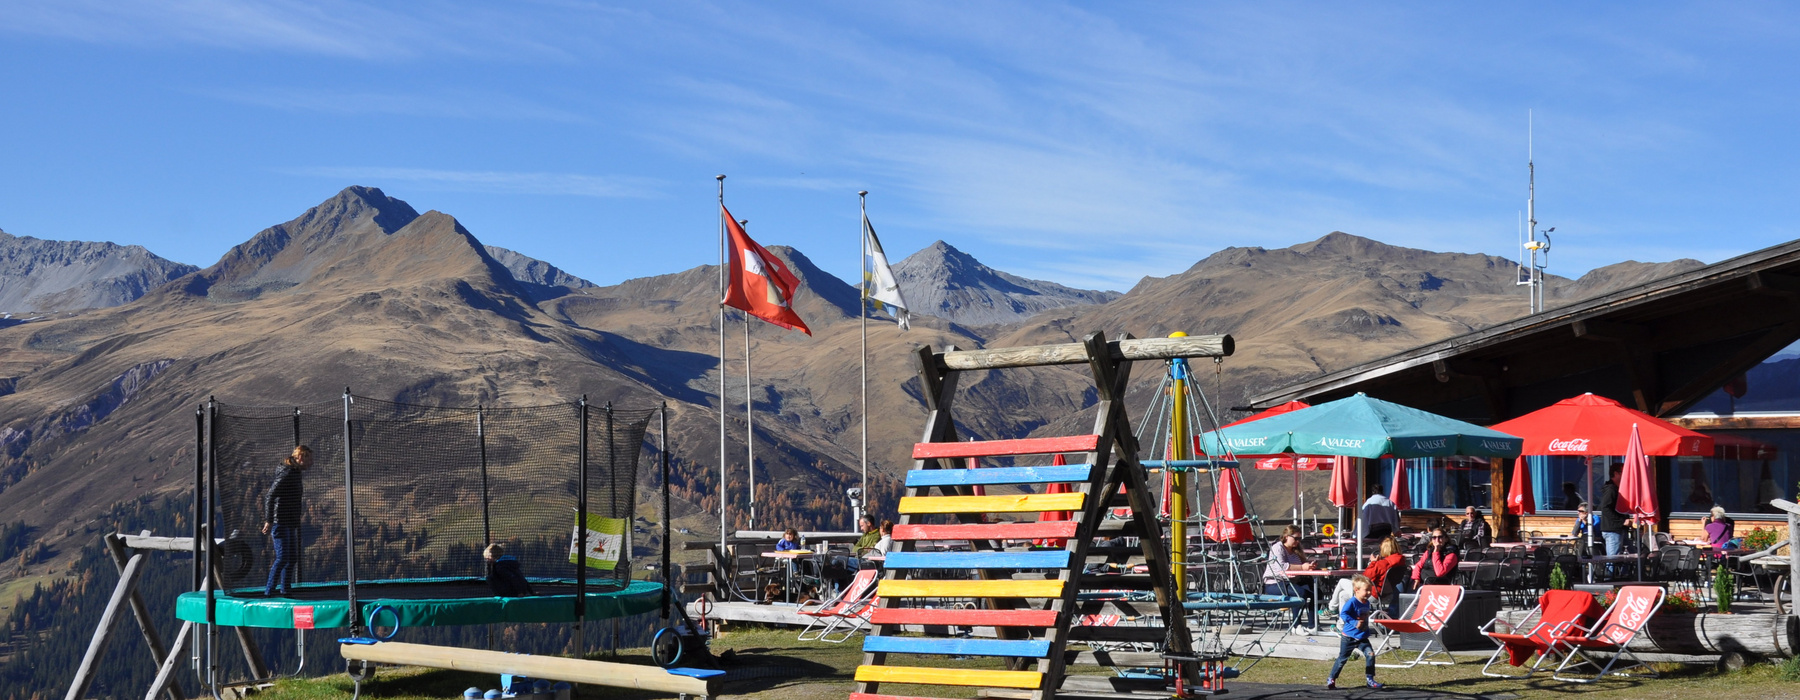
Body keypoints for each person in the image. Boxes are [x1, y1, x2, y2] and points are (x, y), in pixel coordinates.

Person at [261, 445, 310, 597]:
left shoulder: (295, 473)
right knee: (282, 557)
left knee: (291, 558)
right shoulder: (287, 473)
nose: (311, 463)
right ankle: (268, 592)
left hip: (289, 521)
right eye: (309, 459)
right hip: (280, 521)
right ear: (301, 458)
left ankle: (285, 589)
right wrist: (269, 520)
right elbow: (270, 496)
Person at [1325, 574, 1383, 691]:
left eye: (1370, 591)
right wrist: (1354, 623)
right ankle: (1331, 678)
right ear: (1356, 590)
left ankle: (1370, 679)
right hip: (1349, 637)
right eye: (1366, 590)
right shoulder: (1352, 602)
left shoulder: (1366, 602)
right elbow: (1344, 614)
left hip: (1362, 637)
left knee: (1370, 654)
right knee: (1342, 659)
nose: (1368, 593)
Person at [1264, 529, 1317, 628]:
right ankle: (1296, 626)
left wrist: (1308, 566)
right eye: (1296, 538)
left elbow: (1301, 566)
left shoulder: (1296, 550)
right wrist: (1302, 567)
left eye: (1299, 539)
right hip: (1274, 583)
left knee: (1316, 592)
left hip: (1293, 582)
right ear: (1286, 536)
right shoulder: (1277, 547)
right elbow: (1282, 567)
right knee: (1300, 593)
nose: (1298, 541)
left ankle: (1312, 625)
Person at [1361, 537, 1407, 617]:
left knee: (1342, 583)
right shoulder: (1401, 561)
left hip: (1374, 594)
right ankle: (1341, 622)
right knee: (1342, 595)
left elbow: (1365, 577)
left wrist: (1373, 562)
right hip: (1389, 593)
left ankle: (1341, 621)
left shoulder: (1383, 563)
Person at [1599, 465, 1627, 571]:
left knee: (1627, 557)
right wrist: (1622, 521)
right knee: (1612, 560)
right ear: (1616, 474)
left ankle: (1624, 579)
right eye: (1623, 472)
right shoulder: (1611, 489)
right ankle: (1609, 582)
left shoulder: (1617, 489)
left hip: (1619, 529)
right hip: (1612, 530)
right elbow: (1605, 508)